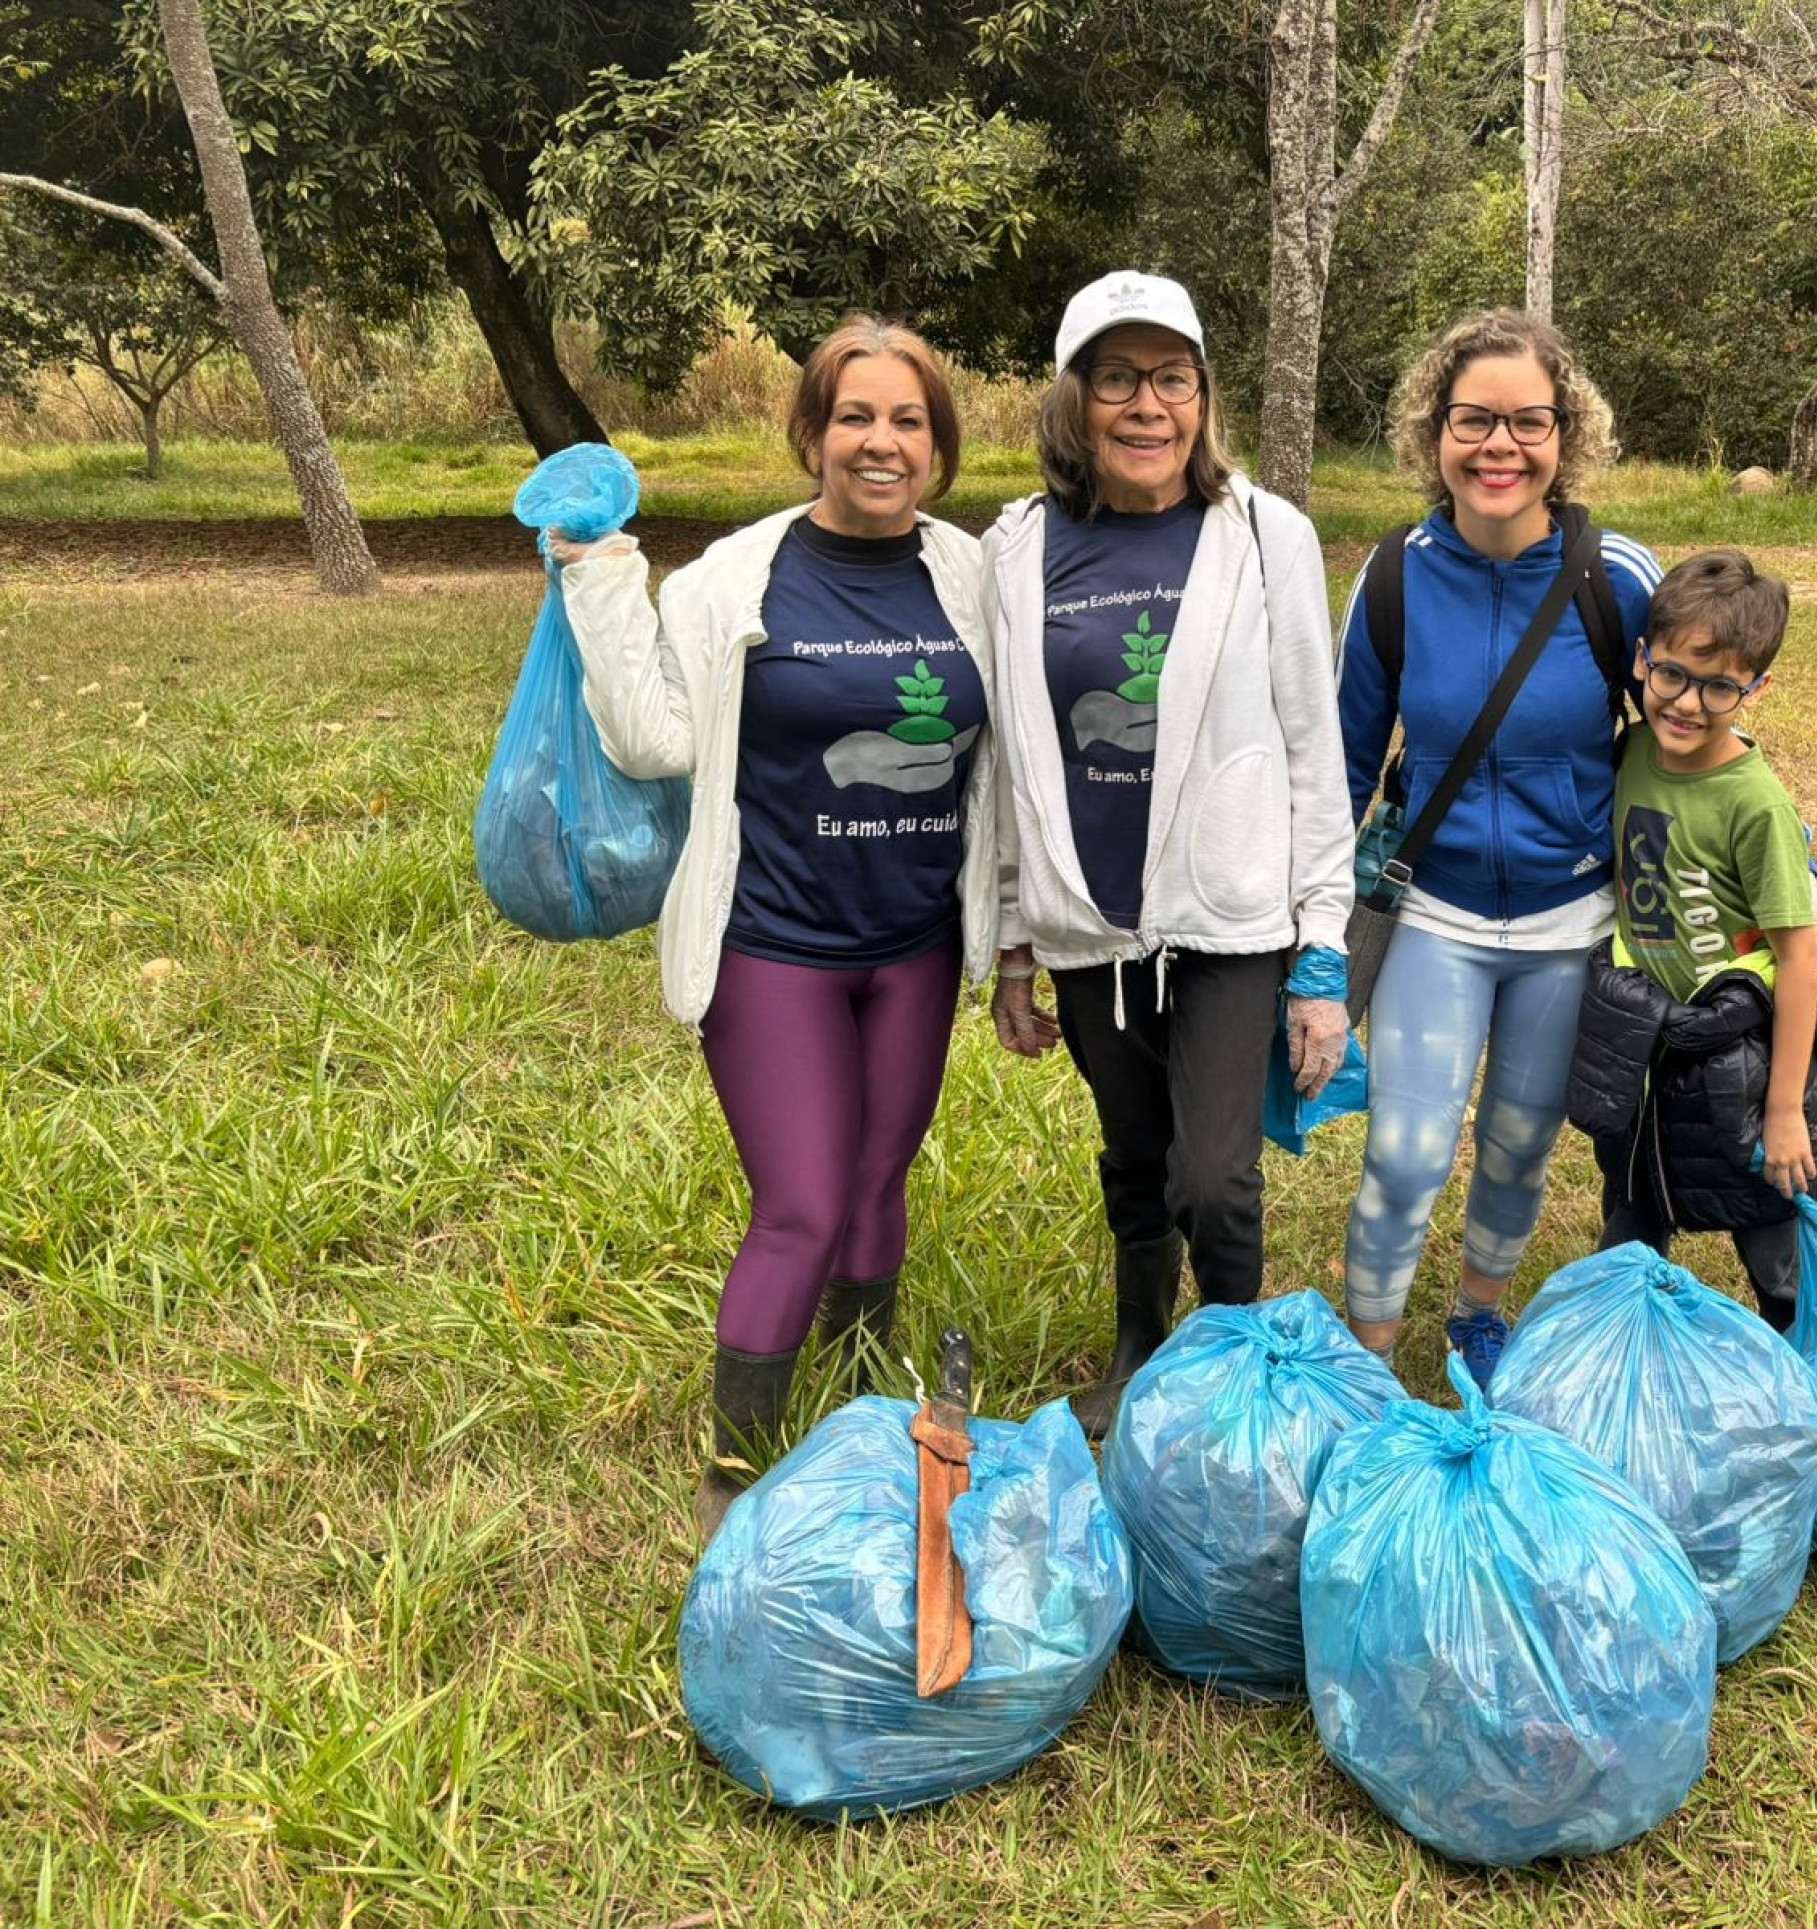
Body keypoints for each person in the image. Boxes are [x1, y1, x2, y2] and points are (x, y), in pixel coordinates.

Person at [551, 316, 999, 1541]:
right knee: (800, 1199)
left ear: (938, 443)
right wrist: (596, 581)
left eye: (908, 419)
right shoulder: (733, 578)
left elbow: (1001, 768)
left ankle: (859, 1408)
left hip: (915, 944)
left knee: (877, 1180)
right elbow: (654, 742)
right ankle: (735, 1470)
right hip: (773, 943)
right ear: (811, 432)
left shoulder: (970, 575)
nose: (881, 440)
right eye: (855, 416)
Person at [983, 271, 1353, 1435]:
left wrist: (1323, 947)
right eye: (1117, 379)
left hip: (1231, 913)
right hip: (1087, 918)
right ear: (1072, 401)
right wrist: (1008, 944)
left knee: (1214, 1176)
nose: (1147, 407)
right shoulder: (1019, 548)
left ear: (1203, 396)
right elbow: (1005, 760)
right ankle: (1141, 1342)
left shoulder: (1261, 533)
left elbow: (1310, 737)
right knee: (1134, 1154)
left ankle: (1236, 1367)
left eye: (1173, 380)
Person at [1335, 308, 1661, 1387]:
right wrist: (1309, 945)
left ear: (1568, 436)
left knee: (1521, 1144)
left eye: (1529, 422)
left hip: (1571, 922)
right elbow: (1338, 764)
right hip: (1435, 912)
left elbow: (1689, 739)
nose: (1500, 448)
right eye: (1474, 420)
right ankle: (1370, 1362)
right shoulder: (1390, 578)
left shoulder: (1617, 578)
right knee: (1404, 1156)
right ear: (1435, 430)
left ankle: (1480, 1311)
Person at [1586, 549, 1817, 1331]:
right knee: (1631, 1221)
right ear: (1642, 661)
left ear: (1757, 688)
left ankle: (1806, 1370)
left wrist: (1785, 1107)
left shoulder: (1754, 804)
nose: (1688, 703)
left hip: (1742, 1064)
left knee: (1769, 1235)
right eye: (1673, 676)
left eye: (1720, 686)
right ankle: (1629, 1356)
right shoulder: (1627, 758)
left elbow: (1800, 959)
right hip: (1649, 1050)